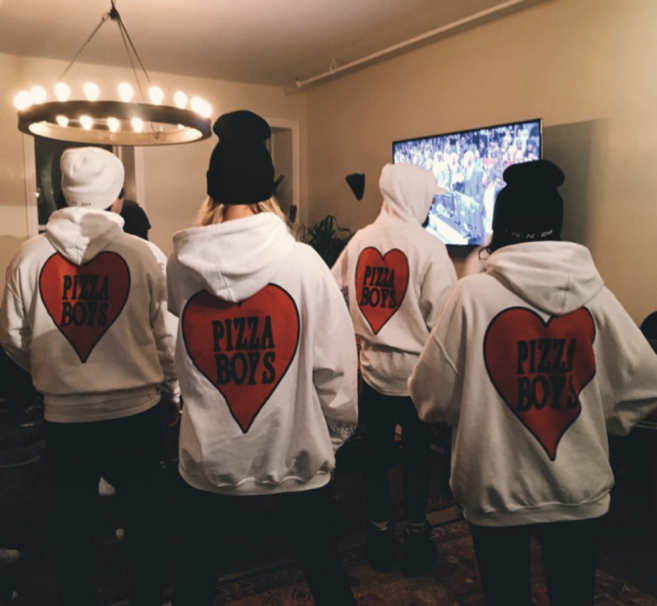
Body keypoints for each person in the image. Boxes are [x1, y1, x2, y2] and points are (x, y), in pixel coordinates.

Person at [409, 159, 657, 606]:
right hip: (579, 488)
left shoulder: (471, 296)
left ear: (500, 228)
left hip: (495, 488)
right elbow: (646, 384)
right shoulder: (596, 296)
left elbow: (429, 396)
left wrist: (472, 409)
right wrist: (605, 420)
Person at [168, 110, 358, 606]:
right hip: (295, 456)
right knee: (327, 576)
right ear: (265, 188)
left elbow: (181, 352)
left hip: (208, 461)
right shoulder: (304, 263)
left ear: (212, 189)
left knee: (193, 582)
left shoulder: (180, 266)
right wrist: (332, 437)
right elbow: (336, 367)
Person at [0, 147, 180, 606]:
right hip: (136, 413)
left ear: (63, 192)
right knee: (144, 527)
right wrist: (170, 391)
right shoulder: (143, 254)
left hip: (64, 420)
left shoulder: (28, 256)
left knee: (70, 532)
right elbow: (166, 337)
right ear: (116, 196)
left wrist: (55, 373)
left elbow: (14, 339)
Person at [332, 162, 457, 576]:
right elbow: (444, 318)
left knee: (375, 457)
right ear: (414, 197)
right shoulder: (429, 247)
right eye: (429, 200)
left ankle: (379, 534)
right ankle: (417, 535)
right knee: (419, 459)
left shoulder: (360, 241)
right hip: (416, 377)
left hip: (371, 373)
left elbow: (332, 290)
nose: (430, 208)